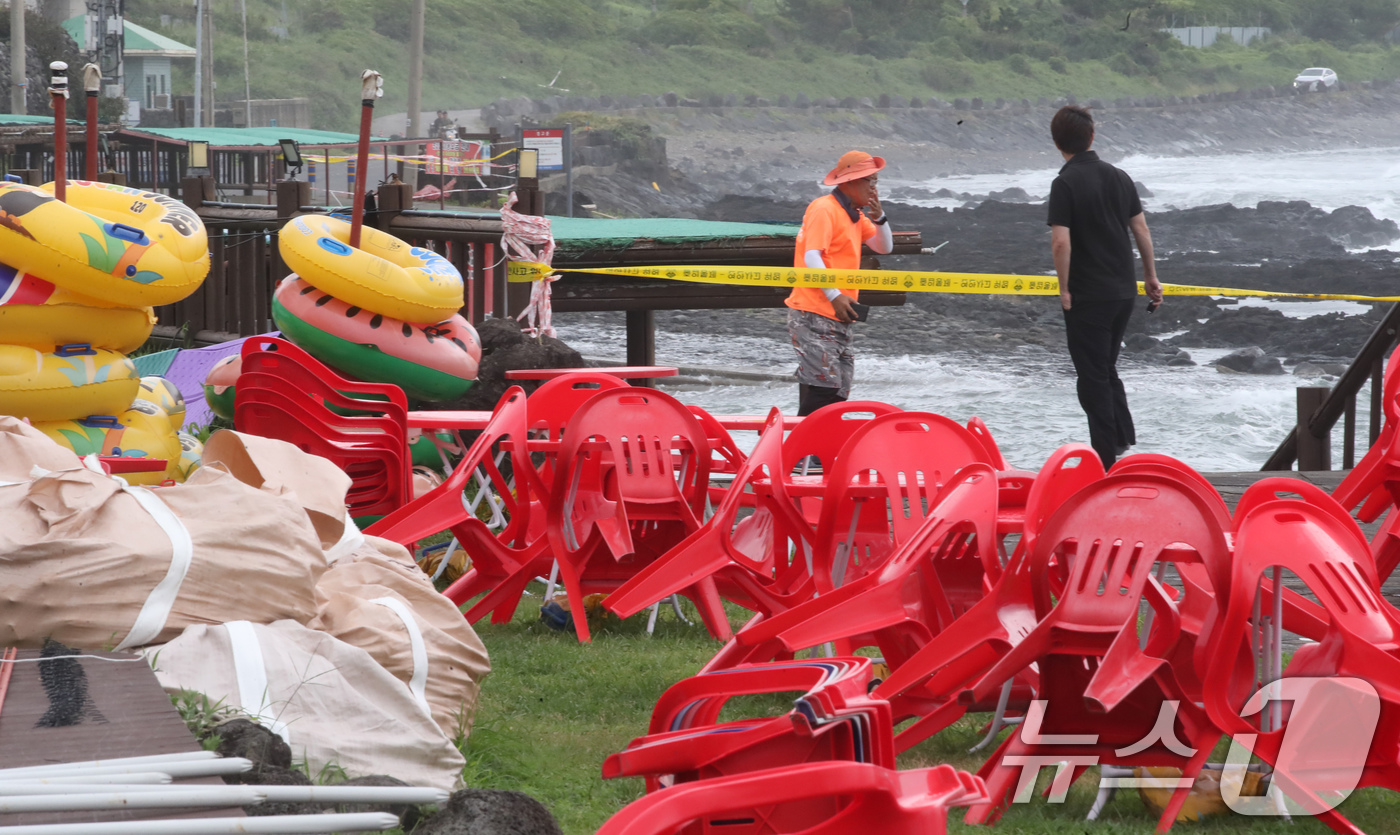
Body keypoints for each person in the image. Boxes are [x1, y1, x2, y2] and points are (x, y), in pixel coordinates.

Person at [1047, 105, 1164, 470]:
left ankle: (1105, 457)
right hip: (1123, 292)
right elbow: (1141, 230)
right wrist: (1151, 277)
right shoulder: (1119, 176)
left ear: (1056, 143)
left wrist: (1064, 288)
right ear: (1092, 136)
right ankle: (1121, 438)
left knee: (1092, 374)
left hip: (1088, 294)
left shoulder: (1064, 183)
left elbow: (1060, 244)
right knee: (1106, 366)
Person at [786, 150, 894, 417]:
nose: (874, 187)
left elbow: (883, 247)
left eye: (875, 181)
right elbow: (813, 255)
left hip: (837, 314)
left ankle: (814, 452)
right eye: (871, 181)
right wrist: (834, 294)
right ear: (852, 181)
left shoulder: (854, 215)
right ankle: (801, 452)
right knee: (824, 387)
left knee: (837, 389)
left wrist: (879, 218)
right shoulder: (825, 208)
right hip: (813, 312)